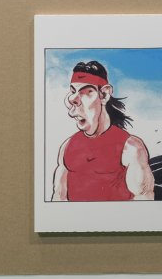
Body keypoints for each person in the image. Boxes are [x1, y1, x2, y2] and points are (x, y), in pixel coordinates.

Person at [51, 61, 154, 201]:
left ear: (104, 94)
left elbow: (143, 201)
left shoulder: (131, 148)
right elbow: (58, 197)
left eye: (85, 92)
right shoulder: (67, 146)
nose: (72, 99)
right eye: (73, 91)